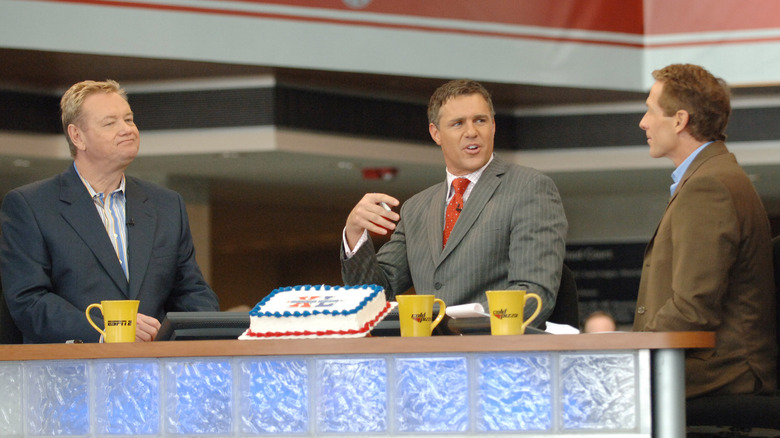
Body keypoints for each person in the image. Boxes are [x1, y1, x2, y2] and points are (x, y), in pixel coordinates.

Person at [0, 80, 219, 343]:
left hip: (154, 371)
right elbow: (29, 301)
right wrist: (112, 329)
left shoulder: (167, 205)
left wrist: (206, 333)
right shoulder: (30, 205)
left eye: (129, 119)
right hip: (69, 373)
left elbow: (191, 291)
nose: (127, 129)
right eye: (110, 123)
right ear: (77, 136)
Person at [341, 79, 567, 325]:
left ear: (493, 125)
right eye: (458, 123)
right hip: (429, 357)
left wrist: (461, 331)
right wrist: (354, 233)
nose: (471, 132)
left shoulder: (529, 188)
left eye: (480, 120)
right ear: (435, 133)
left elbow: (534, 294)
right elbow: (376, 297)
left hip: (495, 355)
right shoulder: (416, 208)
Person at [632, 64, 777, 398]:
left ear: (680, 120)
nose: (643, 122)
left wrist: (632, 353)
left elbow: (691, 308)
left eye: (650, 111)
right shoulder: (713, 175)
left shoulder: (708, 185)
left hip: (724, 374)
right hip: (718, 367)